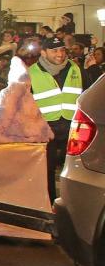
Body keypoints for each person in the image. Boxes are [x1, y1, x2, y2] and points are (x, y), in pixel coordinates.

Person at [30, 37, 83, 201]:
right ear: (43, 52)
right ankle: (50, 202)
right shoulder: (31, 72)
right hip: (45, 127)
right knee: (47, 168)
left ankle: (73, 203)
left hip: (73, 126)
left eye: (62, 49)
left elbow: (87, 93)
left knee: (76, 167)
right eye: (54, 50)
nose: (60, 54)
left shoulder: (75, 68)